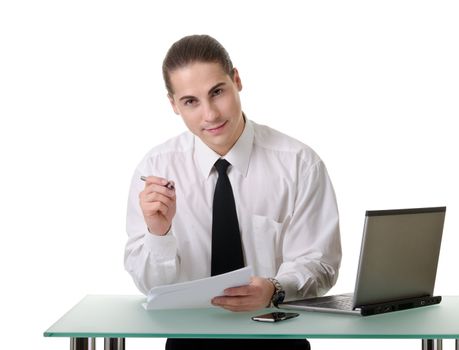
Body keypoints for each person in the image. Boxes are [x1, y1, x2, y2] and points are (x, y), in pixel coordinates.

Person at [124, 34, 342, 350]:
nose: (210, 114)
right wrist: (159, 234)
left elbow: (319, 263)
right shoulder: (157, 169)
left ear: (236, 80)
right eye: (190, 101)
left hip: (278, 338)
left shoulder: (298, 163)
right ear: (174, 105)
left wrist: (274, 288)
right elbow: (152, 289)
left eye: (217, 92)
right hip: (189, 343)